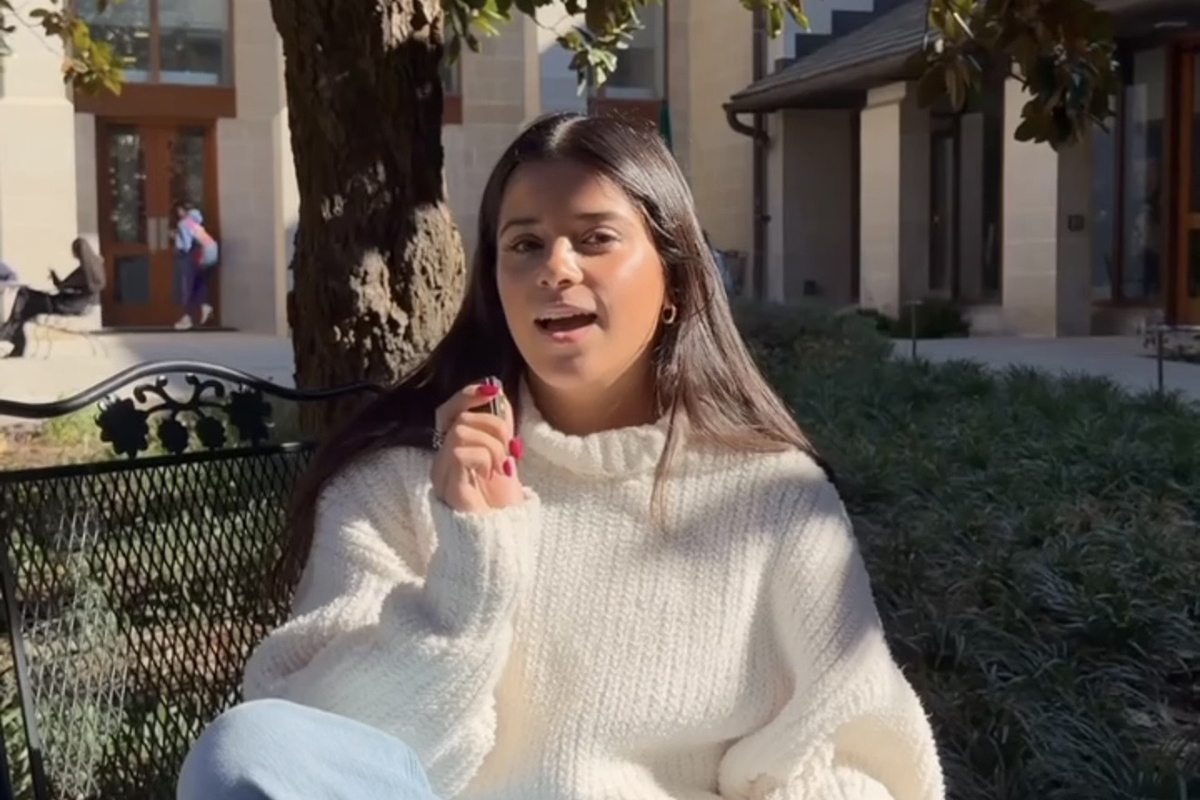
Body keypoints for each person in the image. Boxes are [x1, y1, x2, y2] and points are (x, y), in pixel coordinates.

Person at [177, 113, 944, 800]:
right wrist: (469, 577)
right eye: (525, 244)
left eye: (596, 237)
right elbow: (323, 756)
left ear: (674, 277)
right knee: (248, 745)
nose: (557, 268)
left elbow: (859, 759)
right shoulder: (399, 483)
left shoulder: (774, 499)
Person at [0, 237, 104, 358]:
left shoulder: (84, 272)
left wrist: (54, 276)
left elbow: (62, 286)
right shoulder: (94, 269)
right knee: (23, 307)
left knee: (24, 297)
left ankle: (11, 335)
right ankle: (13, 337)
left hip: (64, 305)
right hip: (70, 304)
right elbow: (65, 286)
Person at [173, 202, 220, 329]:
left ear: (182, 210)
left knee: (187, 285)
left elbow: (186, 245)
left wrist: (177, 239)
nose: (178, 213)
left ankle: (188, 317)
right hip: (209, 254)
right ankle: (205, 306)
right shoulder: (196, 222)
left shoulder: (184, 223)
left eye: (179, 210)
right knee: (198, 283)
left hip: (192, 256)